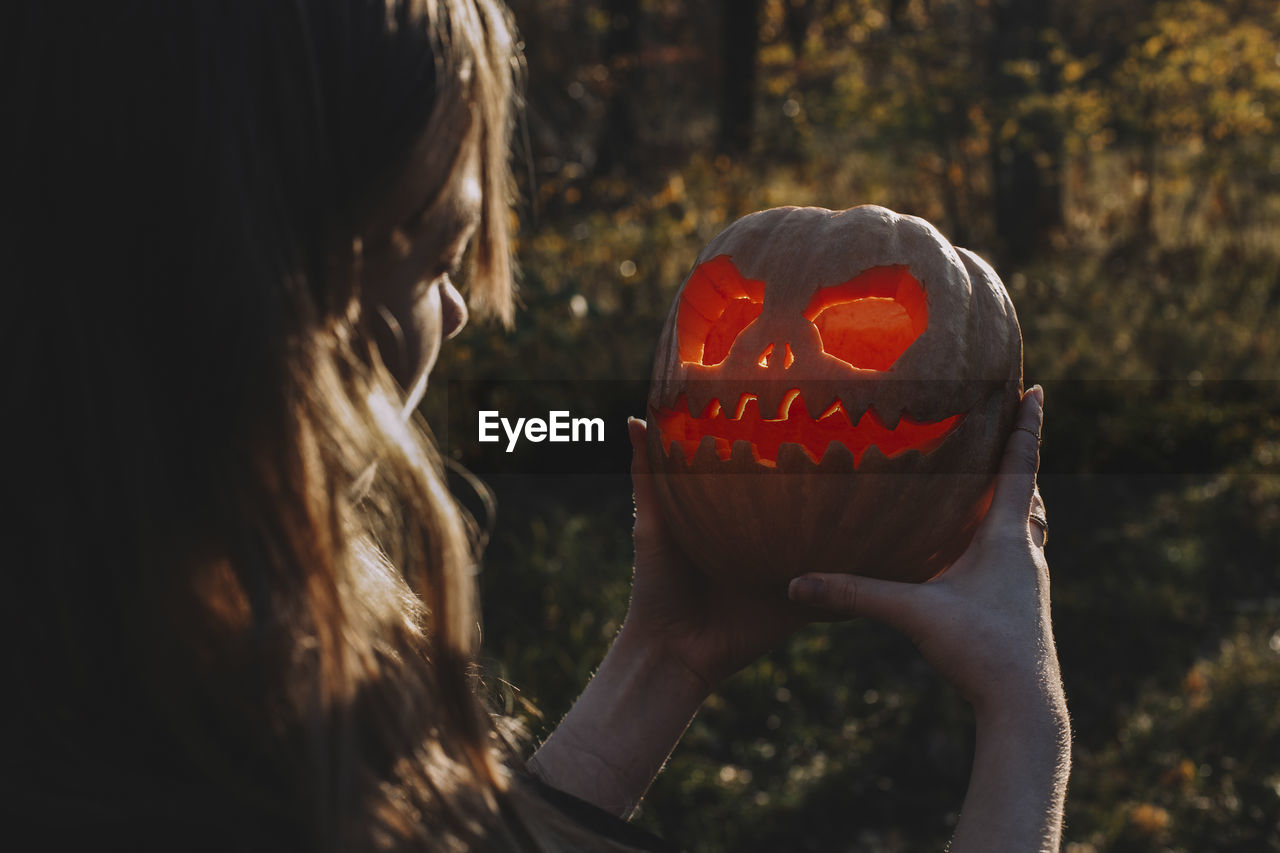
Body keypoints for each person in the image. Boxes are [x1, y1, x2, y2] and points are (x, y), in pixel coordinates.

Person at [2, 1, 1068, 851]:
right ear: (254, 281)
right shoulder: (187, 769)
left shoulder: (137, 669)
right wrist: (1024, 736)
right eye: (430, 258)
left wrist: (665, 659)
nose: (458, 311)